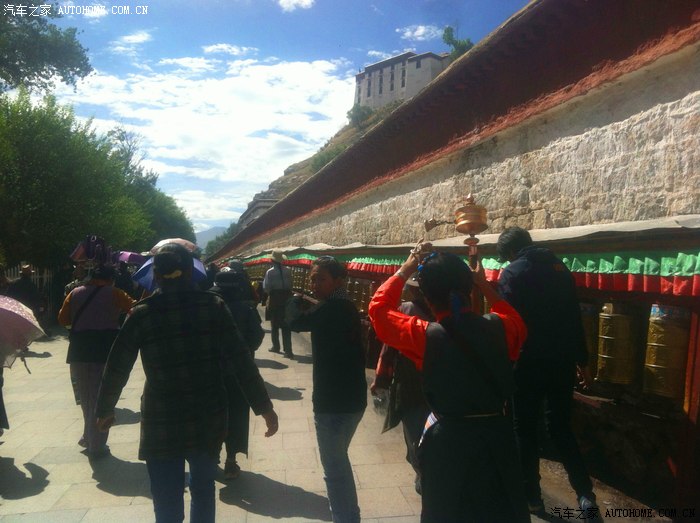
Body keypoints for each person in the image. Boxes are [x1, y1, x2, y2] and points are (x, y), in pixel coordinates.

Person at [95, 243, 278, 523]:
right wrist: (264, 407)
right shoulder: (213, 307)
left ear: (156, 276)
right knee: (203, 490)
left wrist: (105, 408)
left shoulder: (142, 313)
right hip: (207, 414)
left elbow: (117, 365)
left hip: (161, 418)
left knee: (166, 497)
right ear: (191, 273)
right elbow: (241, 360)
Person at [368, 244, 530, 523]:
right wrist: (483, 284)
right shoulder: (502, 328)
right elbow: (514, 317)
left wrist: (406, 268)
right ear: (468, 289)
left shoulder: (426, 336)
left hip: (448, 444)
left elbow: (378, 310)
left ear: (426, 297)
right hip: (497, 438)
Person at [496, 226, 600, 518]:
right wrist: (583, 360)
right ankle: (585, 495)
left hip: (526, 364)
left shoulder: (512, 273)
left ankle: (531, 497)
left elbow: (508, 325)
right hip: (561, 362)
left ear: (511, 252)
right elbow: (573, 317)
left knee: (524, 430)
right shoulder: (560, 269)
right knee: (561, 427)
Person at [286, 256, 367, 523]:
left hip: (333, 404)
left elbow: (295, 322)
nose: (314, 284)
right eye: (312, 279)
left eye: (320, 279)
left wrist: (292, 301)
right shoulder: (346, 306)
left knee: (334, 470)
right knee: (339, 462)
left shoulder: (332, 308)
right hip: (352, 400)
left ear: (339, 281)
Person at [57, 264, 135, 457]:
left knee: (86, 397)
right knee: (102, 397)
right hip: (105, 350)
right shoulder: (115, 293)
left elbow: (63, 319)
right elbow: (135, 309)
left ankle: (88, 436)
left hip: (79, 350)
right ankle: (97, 445)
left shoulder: (74, 293)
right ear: (111, 279)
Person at [370, 275, 432, 495]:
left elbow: (389, 347)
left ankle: (423, 475)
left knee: (415, 434)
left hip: (411, 383)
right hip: (441, 385)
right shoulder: (450, 311)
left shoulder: (406, 309)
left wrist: (381, 379)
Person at [209, 270, 265, 480]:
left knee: (212, 414)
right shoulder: (246, 308)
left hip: (211, 372)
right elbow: (257, 335)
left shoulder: (207, 307)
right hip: (238, 372)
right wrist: (245, 351)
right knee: (237, 414)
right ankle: (231, 460)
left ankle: (212, 455)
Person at [263, 249, 294, 358]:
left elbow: (266, 287)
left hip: (275, 299)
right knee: (286, 325)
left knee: (274, 324)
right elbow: (291, 284)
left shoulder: (270, 272)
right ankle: (288, 350)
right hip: (286, 298)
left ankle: (276, 346)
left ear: (272, 260)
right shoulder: (288, 270)